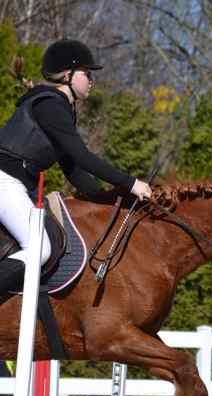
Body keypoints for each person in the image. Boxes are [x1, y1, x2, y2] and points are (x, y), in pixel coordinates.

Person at [0, 39, 152, 295]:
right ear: (67, 75)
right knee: (40, 249)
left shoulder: (62, 109)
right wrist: (130, 183)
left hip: (13, 184)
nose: (91, 80)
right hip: (4, 180)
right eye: (87, 73)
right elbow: (82, 157)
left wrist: (107, 198)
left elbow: (73, 169)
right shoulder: (49, 105)